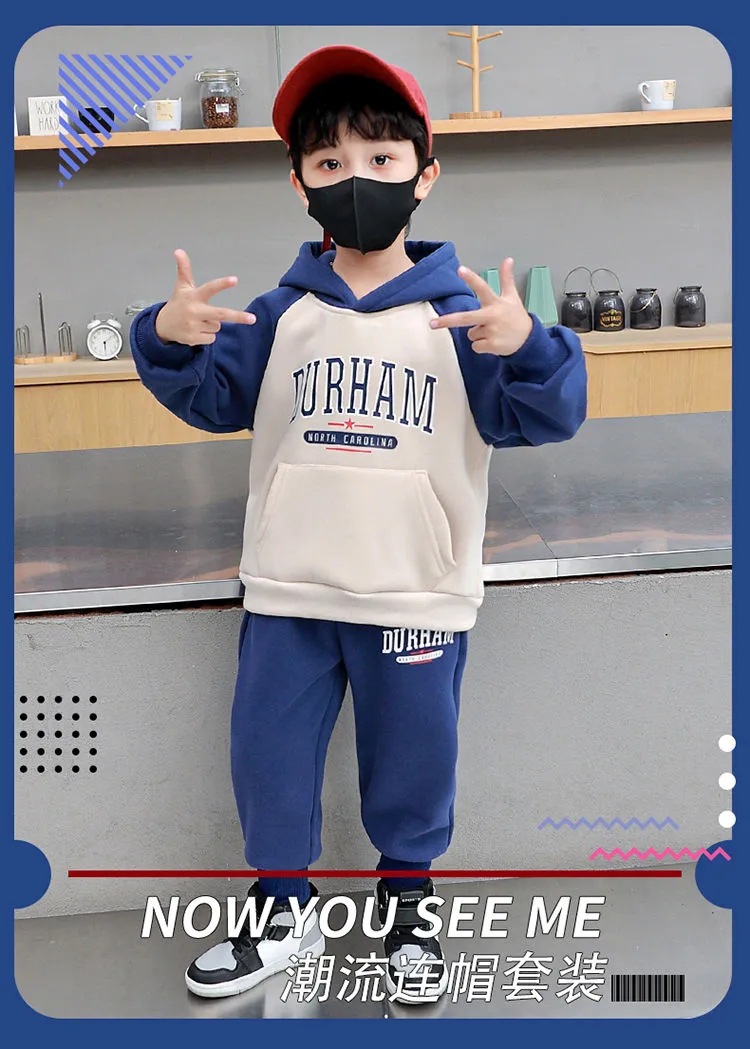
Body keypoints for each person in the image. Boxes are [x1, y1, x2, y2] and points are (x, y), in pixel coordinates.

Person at [130, 44, 587, 1005]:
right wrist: (165, 338)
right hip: (290, 586)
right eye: (330, 161)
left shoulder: (464, 317)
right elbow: (210, 398)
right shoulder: (279, 313)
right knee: (268, 758)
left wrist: (533, 347)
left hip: (415, 591)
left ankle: (409, 911)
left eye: (381, 159)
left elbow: (544, 416)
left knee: (415, 762)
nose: (356, 179)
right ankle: (279, 913)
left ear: (426, 174)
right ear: (299, 183)